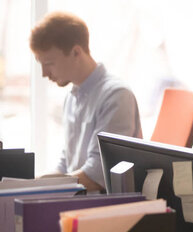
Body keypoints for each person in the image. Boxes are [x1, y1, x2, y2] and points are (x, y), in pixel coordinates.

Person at [30, 12, 142, 192]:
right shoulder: (72, 98)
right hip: (79, 199)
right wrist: (30, 185)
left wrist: (39, 187)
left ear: (76, 52)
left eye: (49, 63)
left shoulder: (116, 96)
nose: (44, 73)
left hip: (102, 206)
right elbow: (66, 163)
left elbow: (97, 176)